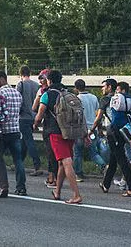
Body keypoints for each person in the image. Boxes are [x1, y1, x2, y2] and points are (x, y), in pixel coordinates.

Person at [35, 70, 82, 204]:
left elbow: (40, 114)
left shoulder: (47, 95)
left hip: (55, 132)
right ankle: (57, 192)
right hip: (70, 132)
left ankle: (76, 195)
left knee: (66, 161)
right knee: (61, 162)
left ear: (49, 80)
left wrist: (35, 124)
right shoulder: (68, 93)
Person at [100, 80, 131, 198]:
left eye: (118, 89)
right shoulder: (130, 101)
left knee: (121, 159)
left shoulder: (114, 100)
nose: (116, 92)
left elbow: (110, 117)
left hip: (114, 131)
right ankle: (106, 184)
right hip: (124, 130)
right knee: (114, 157)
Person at [0, 71, 26, 196]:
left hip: (2, 131)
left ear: (1, 79)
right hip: (15, 130)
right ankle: (21, 187)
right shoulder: (17, 93)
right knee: (18, 160)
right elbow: (20, 110)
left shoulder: (0, 93)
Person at [16, 65, 41, 176]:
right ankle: (19, 162)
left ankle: (37, 165)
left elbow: (17, 100)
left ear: (20, 74)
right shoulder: (36, 85)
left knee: (29, 141)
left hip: (23, 117)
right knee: (25, 141)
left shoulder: (20, 84)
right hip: (34, 116)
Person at [33, 69, 56, 187]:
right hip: (65, 127)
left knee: (51, 153)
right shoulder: (65, 91)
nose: (40, 81)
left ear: (48, 79)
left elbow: (34, 109)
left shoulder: (44, 93)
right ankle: (56, 177)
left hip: (50, 127)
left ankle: (52, 178)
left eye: (42, 78)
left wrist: (35, 124)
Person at [73, 78, 98, 182]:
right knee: (94, 152)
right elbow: (97, 113)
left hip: (81, 129)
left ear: (76, 88)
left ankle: (78, 173)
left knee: (78, 152)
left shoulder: (77, 99)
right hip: (93, 128)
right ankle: (104, 166)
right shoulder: (94, 97)